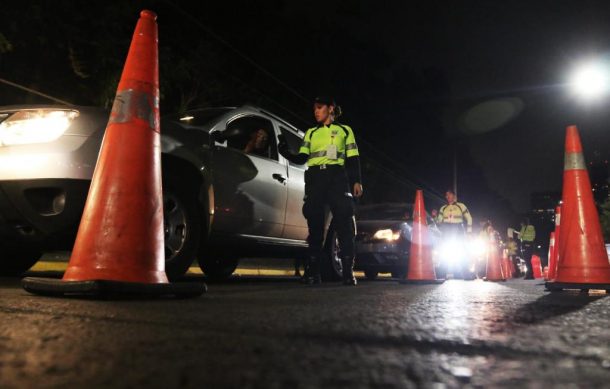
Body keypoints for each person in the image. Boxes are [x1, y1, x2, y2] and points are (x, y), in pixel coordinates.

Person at [278, 96, 363, 285]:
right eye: (314, 108)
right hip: (316, 179)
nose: (315, 111)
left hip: (337, 179)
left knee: (344, 224)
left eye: (319, 107)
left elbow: (353, 157)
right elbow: (301, 158)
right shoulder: (310, 133)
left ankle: (348, 273)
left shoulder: (344, 131)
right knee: (314, 225)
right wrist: (285, 151)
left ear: (330, 109)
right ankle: (313, 273)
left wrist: (356, 181)